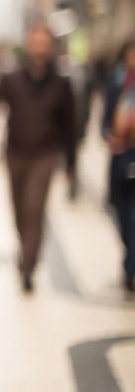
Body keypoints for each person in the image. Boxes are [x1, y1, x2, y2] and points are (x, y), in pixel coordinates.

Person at [0, 23, 77, 293]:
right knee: (19, 210)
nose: (40, 47)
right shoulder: (11, 77)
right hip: (15, 153)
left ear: (51, 47)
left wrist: (71, 163)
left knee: (34, 208)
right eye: (36, 41)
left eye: (45, 42)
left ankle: (29, 267)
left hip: (46, 154)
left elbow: (70, 125)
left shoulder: (62, 82)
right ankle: (25, 250)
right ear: (28, 44)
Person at [103, 38, 135, 294]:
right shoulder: (116, 88)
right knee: (123, 218)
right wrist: (110, 136)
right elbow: (104, 123)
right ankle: (129, 261)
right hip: (120, 160)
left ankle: (130, 270)